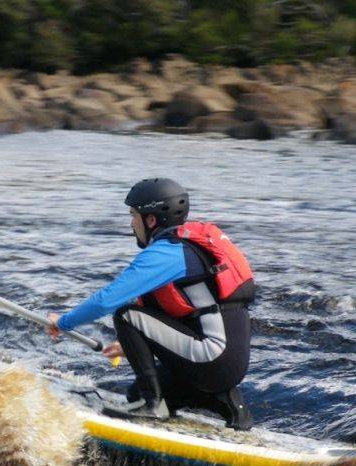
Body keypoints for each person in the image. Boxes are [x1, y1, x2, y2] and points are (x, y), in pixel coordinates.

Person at [46, 178, 255, 430]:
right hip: (228, 364)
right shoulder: (188, 248)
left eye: (134, 215)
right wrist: (131, 345)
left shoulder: (167, 253)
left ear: (151, 220)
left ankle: (152, 406)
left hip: (210, 357)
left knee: (126, 314)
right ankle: (224, 400)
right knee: (135, 393)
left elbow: (107, 300)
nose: (131, 223)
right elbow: (186, 315)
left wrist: (63, 322)